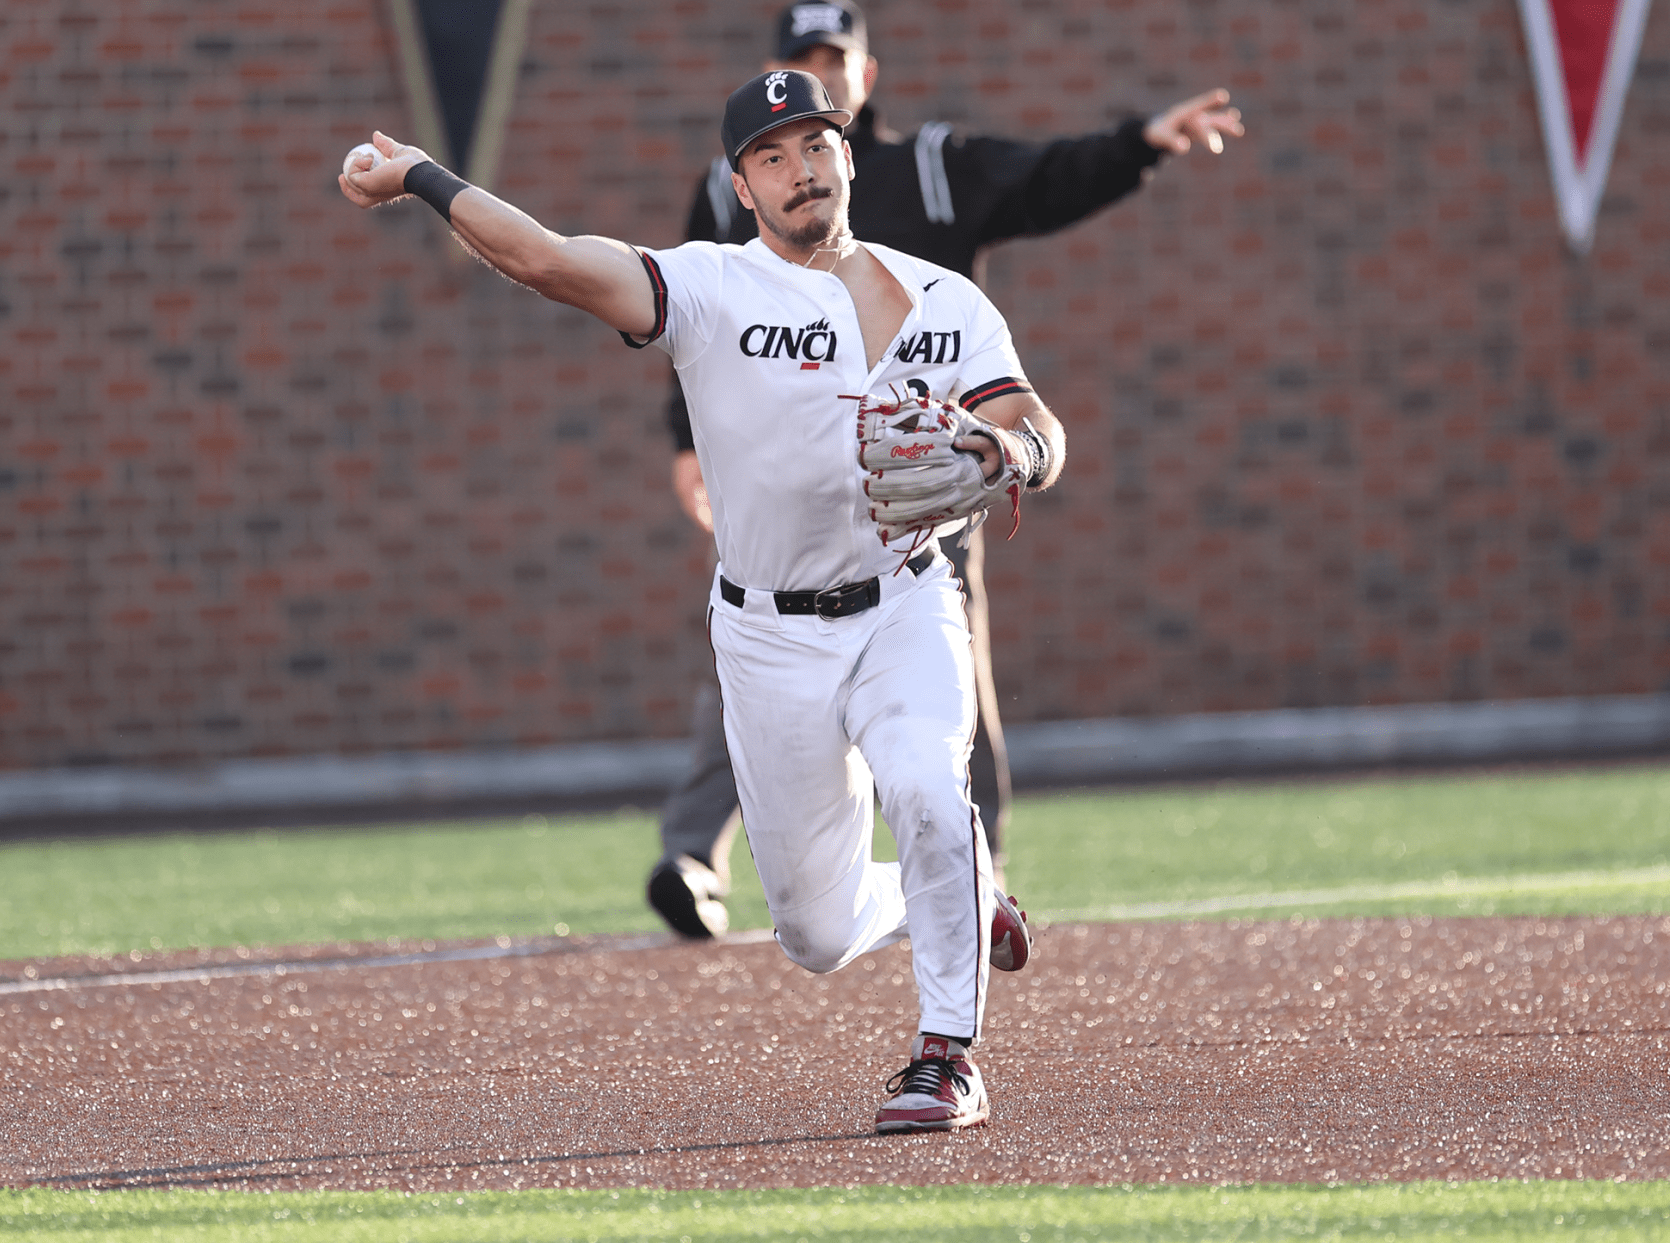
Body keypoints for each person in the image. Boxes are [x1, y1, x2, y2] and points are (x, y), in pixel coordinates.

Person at [338, 67, 1235, 1131]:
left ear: (848, 155)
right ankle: (960, 892)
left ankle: (946, 1056)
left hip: (906, 601)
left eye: (816, 144)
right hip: (766, 638)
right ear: (741, 184)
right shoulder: (710, 288)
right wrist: (419, 176)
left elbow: (1040, 427)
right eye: (772, 155)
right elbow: (541, 258)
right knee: (813, 933)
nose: (800, 169)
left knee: (925, 784)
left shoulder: (943, 299)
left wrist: (1008, 450)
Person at [648, 0, 1243, 941]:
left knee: (951, 683)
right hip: (786, 492)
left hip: (924, 490)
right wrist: (685, 445)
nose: (824, 72)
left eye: (836, 58)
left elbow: (1044, 177)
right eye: (806, 57)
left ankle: (978, 870)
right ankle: (691, 854)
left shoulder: (929, 167)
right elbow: (693, 323)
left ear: (864, 79)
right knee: (754, 658)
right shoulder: (736, 195)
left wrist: (1142, 143)